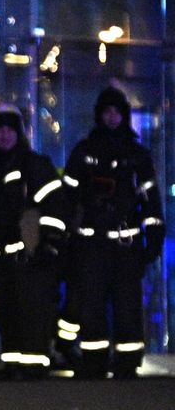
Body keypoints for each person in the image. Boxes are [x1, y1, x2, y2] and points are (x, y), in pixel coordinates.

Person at [0, 103, 68, 379]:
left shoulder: (35, 165)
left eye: (9, 129)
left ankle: (34, 365)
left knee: (32, 312)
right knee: (5, 311)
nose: (4, 135)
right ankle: (13, 363)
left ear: (18, 132)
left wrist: (49, 244)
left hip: (30, 257)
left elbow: (55, 207)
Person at [60, 87, 164, 379]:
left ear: (125, 115)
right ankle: (94, 360)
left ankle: (127, 362)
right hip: (90, 245)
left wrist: (152, 240)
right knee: (91, 304)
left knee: (127, 305)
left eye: (117, 111)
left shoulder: (137, 156)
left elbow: (151, 201)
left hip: (125, 245)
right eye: (107, 111)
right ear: (99, 114)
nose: (112, 117)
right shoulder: (84, 152)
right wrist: (63, 240)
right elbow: (66, 199)